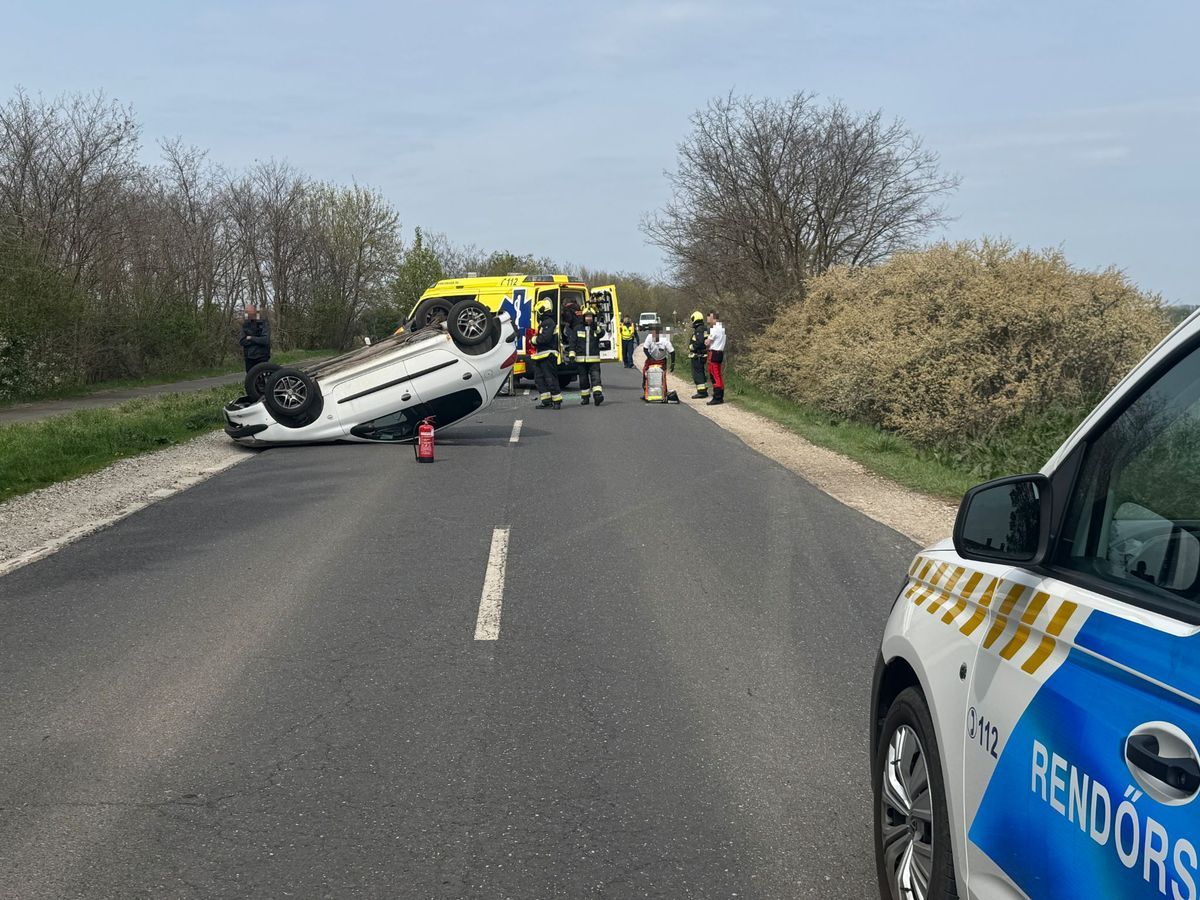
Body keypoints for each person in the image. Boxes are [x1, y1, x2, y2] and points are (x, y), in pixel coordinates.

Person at [568, 306, 606, 406]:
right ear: (583, 317)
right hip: (581, 360)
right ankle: (585, 397)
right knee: (583, 380)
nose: (589, 318)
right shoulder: (577, 328)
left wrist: (595, 327)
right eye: (587, 316)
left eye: (590, 316)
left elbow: (602, 333)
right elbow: (572, 342)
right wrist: (572, 354)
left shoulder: (596, 328)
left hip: (594, 359)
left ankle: (598, 396)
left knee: (596, 378)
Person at [530, 299, 563, 409]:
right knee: (539, 379)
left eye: (537, 311)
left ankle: (557, 401)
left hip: (548, 355)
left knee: (550, 378)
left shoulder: (549, 322)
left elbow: (545, 338)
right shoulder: (544, 323)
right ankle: (546, 400)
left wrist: (533, 340)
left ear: (542, 310)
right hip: (541, 355)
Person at [641, 323, 674, 401]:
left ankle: (664, 393)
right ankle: (646, 392)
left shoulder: (665, 340)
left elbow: (672, 352)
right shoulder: (649, 337)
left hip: (661, 360)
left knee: (662, 376)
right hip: (651, 358)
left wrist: (673, 363)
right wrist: (650, 358)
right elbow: (645, 349)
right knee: (645, 374)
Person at [240, 305, 271, 372]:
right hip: (249, 358)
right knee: (251, 379)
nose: (249, 315)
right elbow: (242, 341)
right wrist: (257, 340)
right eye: (247, 313)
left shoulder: (263, 323)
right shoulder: (245, 325)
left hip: (262, 356)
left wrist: (251, 338)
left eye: (250, 313)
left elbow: (265, 340)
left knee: (263, 376)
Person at [687, 310, 709, 399]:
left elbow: (699, 342)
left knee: (698, 373)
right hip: (703, 355)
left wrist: (692, 347)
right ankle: (704, 390)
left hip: (698, 355)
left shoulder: (699, 329)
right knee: (701, 372)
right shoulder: (703, 328)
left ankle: (701, 392)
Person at [705, 310, 726, 405]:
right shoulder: (722, 328)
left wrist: (706, 341)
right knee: (718, 375)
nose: (708, 319)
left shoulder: (715, 329)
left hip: (714, 353)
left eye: (709, 317)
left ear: (713, 318)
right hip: (720, 352)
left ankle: (717, 397)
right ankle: (720, 395)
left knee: (714, 374)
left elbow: (708, 342)